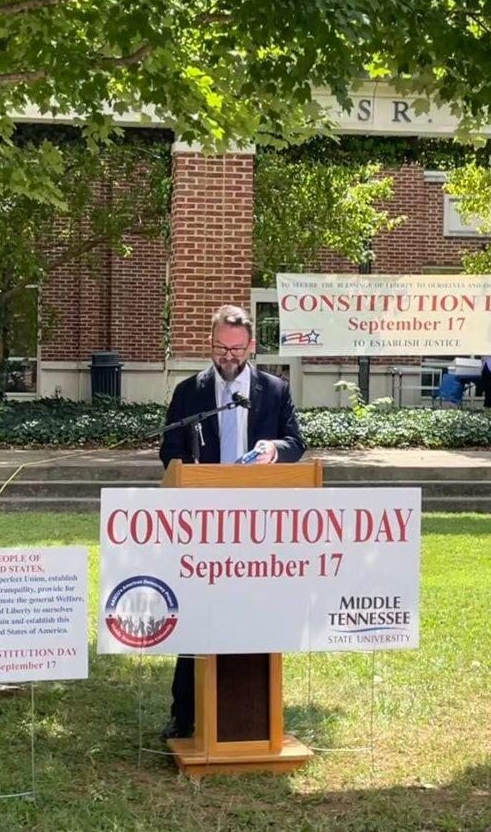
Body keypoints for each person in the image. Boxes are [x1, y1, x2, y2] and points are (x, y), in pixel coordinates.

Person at [157, 305, 305, 740]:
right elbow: (169, 451)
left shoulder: (274, 390)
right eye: (221, 348)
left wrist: (275, 450)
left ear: (251, 346)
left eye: (237, 349)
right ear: (211, 345)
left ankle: (255, 715)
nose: (228, 356)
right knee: (197, 614)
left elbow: (297, 442)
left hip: (258, 525)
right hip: (204, 523)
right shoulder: (189, 392)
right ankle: (184, 715)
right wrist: (190, 472)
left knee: (256, 613)